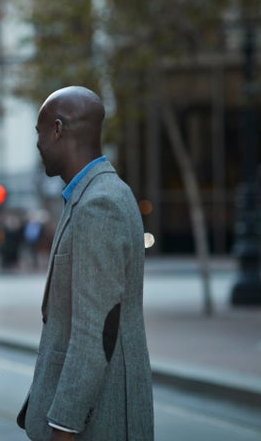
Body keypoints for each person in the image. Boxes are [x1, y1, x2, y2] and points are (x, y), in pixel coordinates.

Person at [17, 86, 154, 440]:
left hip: (97, 423)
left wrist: (64, 427)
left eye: (39, 132)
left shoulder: (99, 205)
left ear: (58, 130)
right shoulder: (90, 194)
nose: (37, 144)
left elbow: (95, 330)